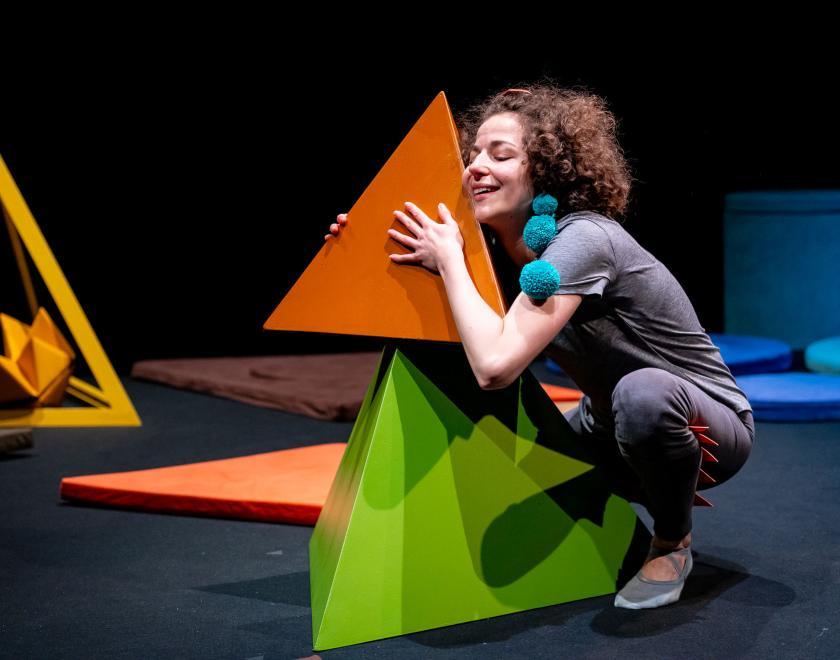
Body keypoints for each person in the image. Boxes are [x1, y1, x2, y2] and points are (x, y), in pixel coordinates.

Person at [325, 83, 755, 609]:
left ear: (547, 172)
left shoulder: (583, 240)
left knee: (641, 394)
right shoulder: (489, 249)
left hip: (704, 422)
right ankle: (625, 491)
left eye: (500, 155)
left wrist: (451, 262)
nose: (476, 167)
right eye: (473, 154)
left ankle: (672, 541)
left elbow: (495, 368)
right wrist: (365, 243)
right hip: (602, 426)